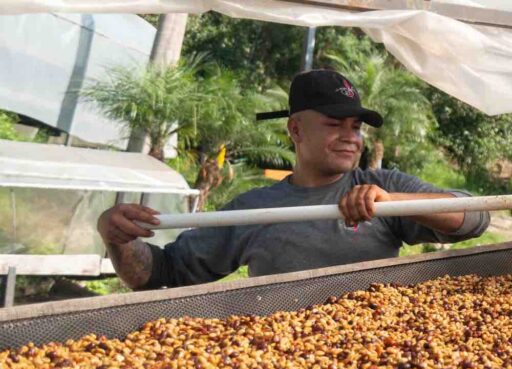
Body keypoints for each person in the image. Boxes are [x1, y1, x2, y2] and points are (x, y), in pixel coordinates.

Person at [96, 69, 490, 290]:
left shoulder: (381, 184)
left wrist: (391, 202)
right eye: (334, 124)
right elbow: (161, 274)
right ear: (296, 130)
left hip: (377, 349)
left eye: (356, 127)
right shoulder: (254, 209)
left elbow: (475, 220)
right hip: (279, 358)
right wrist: (118, 239)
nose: (351, 137)